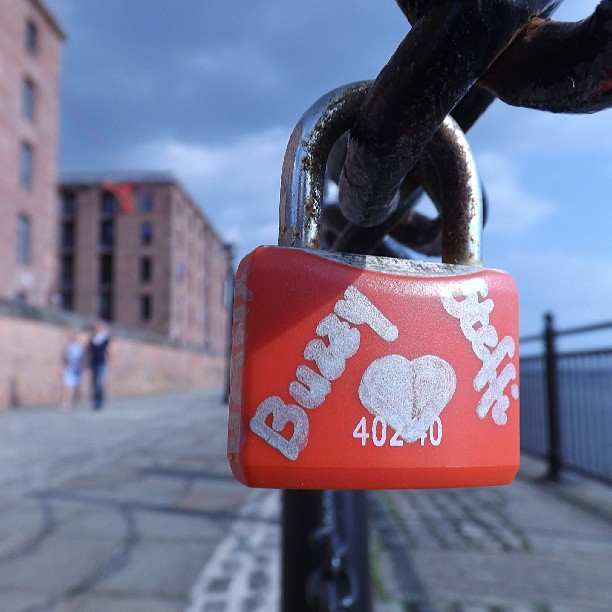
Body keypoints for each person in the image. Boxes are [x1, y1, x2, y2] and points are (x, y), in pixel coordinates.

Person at [88, 321, 110, 410]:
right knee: (94, 383)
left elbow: (107, 351)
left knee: (98, 383)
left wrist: (110, 362)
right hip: (94, 363)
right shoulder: (92, 339)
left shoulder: (104, 339)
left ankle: (100, 401)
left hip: (102, 363)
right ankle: (96, 401)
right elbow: (89, 352)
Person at [61, 331, 84, 411]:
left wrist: (82, 368)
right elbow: (64, 358)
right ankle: (65, 403)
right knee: (66, 387)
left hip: (77, 370)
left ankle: (76, 401)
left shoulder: (79, 348)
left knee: (77, 388)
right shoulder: (68, 347)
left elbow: (82, 359)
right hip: (69, 369)